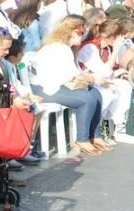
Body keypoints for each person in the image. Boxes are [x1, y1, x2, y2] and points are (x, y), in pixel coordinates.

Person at [32, 17, 107, 155]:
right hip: (46, 89)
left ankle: (95, 135)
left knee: (96, 93)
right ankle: (82, 138)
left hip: (57, 85)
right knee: (87, 98)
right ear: (71, 32)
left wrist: (90, 78)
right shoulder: (60, 48)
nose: (82, 36)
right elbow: (74, 75)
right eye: (80, 33)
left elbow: (74, 73)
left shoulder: (66, 48)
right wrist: (93, 78)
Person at [76, 19, 134, 144]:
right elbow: (104, 72)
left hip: (98, 80)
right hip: (85, 82)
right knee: (110, 90)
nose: (121, 40)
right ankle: (102, 131)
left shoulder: (106, 47)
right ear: (113, 36)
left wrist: (119, 73)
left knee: (124, 86)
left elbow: (107, 72)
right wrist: (116, 50)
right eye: (119, 37)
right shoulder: (90, 47)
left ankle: (118, 129)